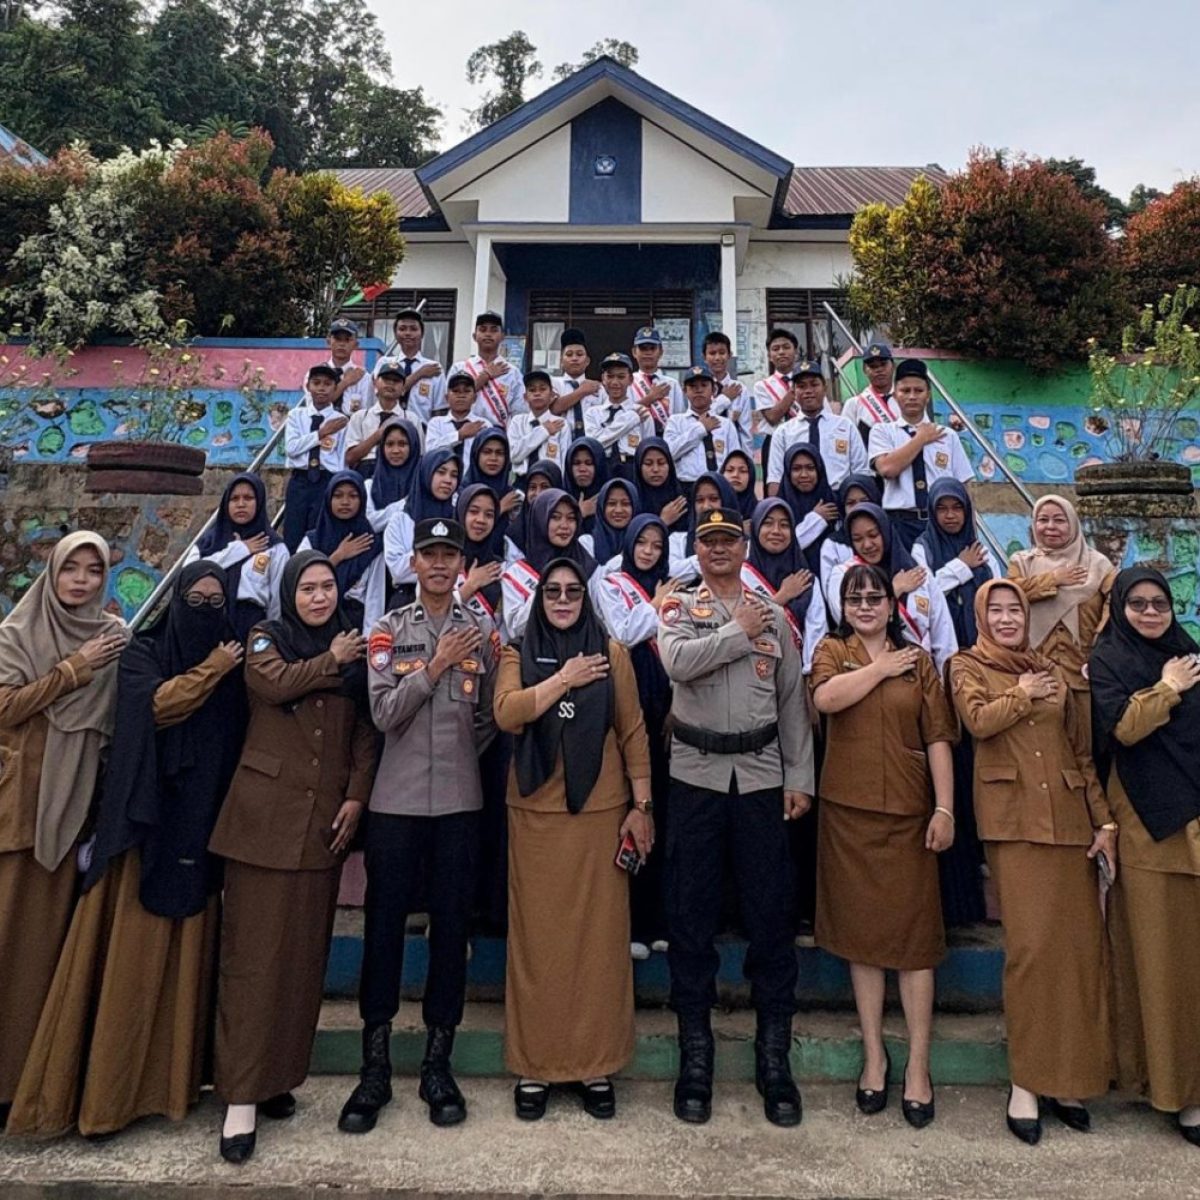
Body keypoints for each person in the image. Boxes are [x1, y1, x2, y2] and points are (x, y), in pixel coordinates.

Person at [7, 564, 245, 1137]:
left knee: (186, 966)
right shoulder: (143, 653)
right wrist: (213, 668)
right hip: (142, 824)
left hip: (199, 828)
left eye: (215, 601)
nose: (204, 610)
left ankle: (173, 1087)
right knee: (126, 965)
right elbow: (156, 708)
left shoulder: (232, 663)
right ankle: (104, 1099)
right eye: (194, 600)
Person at [208, 552, 375, 1164]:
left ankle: (277, 1078)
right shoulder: (266, 637)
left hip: (321, 826)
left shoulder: (352, 651)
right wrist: (331, 660)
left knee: (301, 964)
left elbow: (365, 731)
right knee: (253, 965)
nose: (319, 597)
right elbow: (272, 684)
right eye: (307, 588)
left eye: (327, 586)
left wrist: (357, 795)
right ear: (289, 593)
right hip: (263, 823)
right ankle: (240, 1095)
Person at [338, 519, 498, 1134]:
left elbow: (486, 719)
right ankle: (374, 1066)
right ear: (414, 564)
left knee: (451, 929)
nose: (438, 564)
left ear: (460, 566)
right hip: (396, 803)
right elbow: (383, 714)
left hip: (458, 802)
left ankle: (438, 1062)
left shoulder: (481, 632)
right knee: (383, 930)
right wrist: (435, 666)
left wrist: (455, 757)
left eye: (448, 555)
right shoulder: (387, 630)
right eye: (428, 554)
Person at [659, 507, 814, 1127]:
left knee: (771, 916)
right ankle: (695, 1056)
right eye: (709, 541)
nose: (719, 549)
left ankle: (773, 1057)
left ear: (744, 547)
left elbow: (793, 701)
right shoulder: (679, 606)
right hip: (694, 776)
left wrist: (799, 776)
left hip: (760, 776)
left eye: (728, 540)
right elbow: (677, 663)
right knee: (690, 915)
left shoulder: (773, 616)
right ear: (697, 550)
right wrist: (736, 631)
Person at [949, 580, 1115, 1145]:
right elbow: (977, 721)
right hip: (1013, 822)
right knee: (1031, 953)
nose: (1006, 618)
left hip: (1069, 822)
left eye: (1014, 610)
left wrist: (1104, 822)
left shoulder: (1052, 668)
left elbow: (1080, 753)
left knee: (1077, 953)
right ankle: (1026, 1080)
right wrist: (1021, 693)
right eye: (995, 610)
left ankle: (1068, 1080)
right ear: (981, 617)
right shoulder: (967, 665)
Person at [495, 558, 653, 1120]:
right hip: (536, 813)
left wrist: (641, 807)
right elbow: (508, 713)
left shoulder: (611, 654)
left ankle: (595, 1064)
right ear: (540, 600)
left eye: (573, 592)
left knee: (597, 942)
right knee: (538, 941)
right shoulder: (516, 651)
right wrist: (563, 679)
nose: (563, 601)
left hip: (600, 812)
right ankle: (535, 1065)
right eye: (553, 592)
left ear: (586, 600)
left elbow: (632, 730)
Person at [811, 563, 957, 1128]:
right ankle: (874, 1055)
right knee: (863, 941)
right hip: (848, 814)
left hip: (908, 812)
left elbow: (938, 735)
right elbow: (826, 699)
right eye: (856, 599)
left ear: (891, 606)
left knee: (915, 942)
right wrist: (879, 668)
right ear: (844, 608)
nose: (866, 606)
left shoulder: (917, 661)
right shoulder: (833, 651)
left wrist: (944, 807)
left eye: (875, 597)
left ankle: (919, 1065)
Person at [0, 532, 128, 1128]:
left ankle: (21, 1084)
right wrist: (75, 669)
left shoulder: (111, 640)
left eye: (92, 571)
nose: (80, 580)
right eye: (70, 568)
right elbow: (6, 706)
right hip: (17, 809)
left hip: (69, 810)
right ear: (51, 573)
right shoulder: (17, 634)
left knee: (39, 957)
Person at [1088, 567, 1200, 1146]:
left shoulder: (1190, 654)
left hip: (1195, 820)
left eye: (1160, 603)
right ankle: (1180, 1092)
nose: (1151, 613)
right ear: (1120, 608)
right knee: (1163, 965)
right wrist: (1167, 688)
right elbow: (1124, 730)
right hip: (1148, 827)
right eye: (1138, 603)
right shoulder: (1110, 661)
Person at [595, 516, 678, 960]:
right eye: (641, 543)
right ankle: (627, 921)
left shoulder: (675, 586)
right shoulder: (612, 584)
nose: (648, 551)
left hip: (667, 710)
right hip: (627, 709)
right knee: (627, 812)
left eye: (656, 545)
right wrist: (656, 604)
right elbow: (624, 633)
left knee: (660, 814)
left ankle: (656, 919)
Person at [1008, 494, 1115, 736]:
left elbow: (1116, 600)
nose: (1050, 527)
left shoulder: (1098, 564)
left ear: (1073, 524)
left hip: (1083, 670)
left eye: (1059, 520)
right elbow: (1012, 594)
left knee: (1085, 741)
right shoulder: (1022, 563)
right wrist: (1053, 579)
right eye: (1043, 520)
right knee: (1044, 741)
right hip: (1037, 672)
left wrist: (1101, 634)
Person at [828, 504, 958, 675]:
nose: (867, 545)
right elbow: (845, 618)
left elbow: (943, 633)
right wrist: (894, 590)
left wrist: (947, 679)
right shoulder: (843, 574)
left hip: (923, 675)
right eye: (857, 539)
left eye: (873, 535)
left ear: (886, 532)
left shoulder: (917, 573)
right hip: (869, 673)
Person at [868, 358, 974, 553]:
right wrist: (921, 439)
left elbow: (964, 487)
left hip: (940, 522)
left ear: (928, 395)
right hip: (899, 523)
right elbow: (887, 469)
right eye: (905, 390)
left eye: (918, 390)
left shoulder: (947, 435)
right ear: (895, 394)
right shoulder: (882, 431)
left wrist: (971, 535)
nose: (912, 396)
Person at [187, 472, 289, 641]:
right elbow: (188, 575)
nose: (241, 504)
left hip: (250, 625)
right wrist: (238, 550)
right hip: (207, 619)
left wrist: (270, 637)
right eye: (234, 499)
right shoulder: (209, 542)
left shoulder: (274, 547)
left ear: (259, 502)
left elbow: (277, 601)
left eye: (248, 498)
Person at [500, 489, 601, 644]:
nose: (564, 525)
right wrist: (548, 587)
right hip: (534, 654)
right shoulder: (517, 574)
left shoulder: (589, 568)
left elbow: (599, 621)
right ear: (540, 519)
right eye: (555, 517)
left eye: (571, 518)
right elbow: (515, 629)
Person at [743, 499, 828, 674]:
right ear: (756, 528)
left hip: (793, 674)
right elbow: (736, 626)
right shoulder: (739, 575)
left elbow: (816, 633)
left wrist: (808, 674)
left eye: (784, 525)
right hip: (746, 670)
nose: (776, 531)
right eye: (768, 523)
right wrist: (783, 596)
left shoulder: (806, 580)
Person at [299, 472, 385, 631]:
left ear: (362, 500)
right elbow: (297, 580)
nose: (345, 502)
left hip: (354, 626)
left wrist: (369, 640)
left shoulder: (370, 544)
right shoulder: (312, 540)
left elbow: (375, 597)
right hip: (314, 622)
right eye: (338, 496)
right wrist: (338, 556)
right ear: (328, 499)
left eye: (353, 496)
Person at [766, 359, 867, 491]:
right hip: (798, 498)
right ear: (794, 392)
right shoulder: (783, 433)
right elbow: (775, 478)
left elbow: (861, 471)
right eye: (802, 386)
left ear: (825, 388)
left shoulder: (846, 426)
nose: (808, 391)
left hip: (839, 496)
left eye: (814, 385)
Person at [283, 364, 350, 551]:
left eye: (327, 384)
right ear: (308, 386)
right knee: (293, 531)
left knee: (319, 531)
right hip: (300, 479)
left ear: (335, 388)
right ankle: (292, 567)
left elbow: (341, 458)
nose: (321, 388)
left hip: (327, 480)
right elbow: (291, 448)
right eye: (316, 383)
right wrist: (321, 433)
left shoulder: (341, 420)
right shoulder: (296, 415)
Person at [383, 450, 460, 610]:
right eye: (441, 472)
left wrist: (422, 561)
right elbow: (398, 571)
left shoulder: (458, 518)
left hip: (453, 600)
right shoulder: (400, 520)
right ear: (426, 473)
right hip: (407, 602)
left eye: (454, 475)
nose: (448, 480)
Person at [663, 364, 739, 485]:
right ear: (684, 391)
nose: (698, 390)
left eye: (704, 385)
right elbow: (669, 454)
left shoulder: (726, 424)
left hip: (719, 484)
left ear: (714, 390)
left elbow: (735, 460)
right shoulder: (675, 421)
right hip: (685, 485)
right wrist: (700, 429)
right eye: (692, 386)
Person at [584, 353, 655, 481]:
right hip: (602, 466)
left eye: (621, 377)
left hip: (632, 467)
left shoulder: (642, 412)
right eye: (610, 376)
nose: (615, 382)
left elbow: (648, 451)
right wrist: (630, 420)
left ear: (630, 379)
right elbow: (594, 446)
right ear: (603, 379)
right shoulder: (592, 413)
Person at [346, 358, 421, 478]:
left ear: (403, 389)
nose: (390, 384)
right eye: (386, 379)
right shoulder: (360, 417)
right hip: (366, 469)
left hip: (400, 471)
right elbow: (350, 458)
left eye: (396, 381)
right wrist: (379, 434)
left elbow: (418, 457)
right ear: (376, 383)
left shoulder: (411, 419)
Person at [452, 311, 526, 427]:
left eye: (494, 330)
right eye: (483, 330)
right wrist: (485, 376)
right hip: (465, 430)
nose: (488, 334)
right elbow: (450, 402)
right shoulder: (460, 368)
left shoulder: (512, 372)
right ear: (474, 336)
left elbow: (520, 412)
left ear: (502, 336)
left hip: (499, 434)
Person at [818, 473, 881, 600]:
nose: (858, 507)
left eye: (864, 501)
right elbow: (833, 597)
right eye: (851, 503)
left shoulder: (889, 538)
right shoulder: (833, 545)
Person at [667, 471, 738, 583]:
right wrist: (706, 558)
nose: (705, 506)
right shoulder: (677, 540)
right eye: (700, 500)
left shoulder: (743, 543)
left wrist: (692, 564)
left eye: (714, 499)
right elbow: (671, 573)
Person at [776, 444, 839, 568]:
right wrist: (816, 519)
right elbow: (783, 547)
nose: (804, 474)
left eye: (810, 468)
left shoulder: (833, 503)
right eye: (796, 469)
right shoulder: (778, 508)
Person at [508, 370, 573, 477]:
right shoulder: (517, 422)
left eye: (543, 389)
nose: (537, 393)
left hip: (551, 480)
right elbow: (514, 455)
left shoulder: (561, 424)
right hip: (522, 479)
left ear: (552, 395)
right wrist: (543, 431)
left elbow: (564, 460)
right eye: (532, 390)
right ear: (525, 397)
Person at [752, 329, 801, 469]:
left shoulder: (808, 382)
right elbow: (772, 417)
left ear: (796, 352)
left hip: (803, 438)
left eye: (786, 347)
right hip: (774, 442)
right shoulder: (762, 386)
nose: (781, 352)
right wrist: (794, 390)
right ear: (769, 356)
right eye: (775, 349)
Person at [365, 419, 423, 530]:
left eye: (402, 444)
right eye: (390, 444)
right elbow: (370, 523)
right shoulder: (370, 486)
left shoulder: (424, 482)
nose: (395, 451)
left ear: (413, 446)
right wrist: (407, 502)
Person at [390, 308, 446, 423]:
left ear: (422, 334)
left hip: (421, 429)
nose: (408, 333)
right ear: (395, 333)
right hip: (389, 428)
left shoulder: (434, 367)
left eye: (413, 329)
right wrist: (420, 374)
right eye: (402, 329)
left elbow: (439, 410)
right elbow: (388, 394)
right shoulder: (385, 364)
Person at [702, 331, 754, 451]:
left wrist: (747, 458)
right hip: (706, 450)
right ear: (704, 357)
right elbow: (702, 418)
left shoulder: (740, 389)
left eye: (722, 353)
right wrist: (724, 399)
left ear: (729, 355)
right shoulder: (700, 387)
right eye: (712, 353)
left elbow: (746, 430)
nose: (717, 358)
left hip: (733, 451)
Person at [841, 341, 899, 446]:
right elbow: (846, 441)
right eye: (873, 366)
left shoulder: (906, 399)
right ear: (864, 370)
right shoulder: (853, 405)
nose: (879, 370)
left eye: (883, 364)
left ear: (893, 366)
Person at [630, 326, 685, 433]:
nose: (648, 353)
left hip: (666, 438)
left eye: (652, 348)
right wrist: (650, 398)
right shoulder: (629, 382)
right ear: (634, 352)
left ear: (660, 352)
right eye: (643, 348)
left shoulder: (672, 384)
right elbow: (624, 415)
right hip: (636, 436)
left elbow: (679, 417)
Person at [425, 371, 488, 465]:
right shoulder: (436, 423)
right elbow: (430, 451)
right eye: (455, 391)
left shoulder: (483, 424)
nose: (461, 396)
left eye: (467, 391)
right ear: (447, 397)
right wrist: (459, 435)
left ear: (475, 398)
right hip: (443, 473)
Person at [550, 327, 601, 442]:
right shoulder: (553, 383)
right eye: (569, 354)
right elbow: (554, 408)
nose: (574, 358)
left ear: (587, 361)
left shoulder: (597, 388)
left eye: (579, 354)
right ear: (561, 361)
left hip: (591, 442)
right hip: (559, 442)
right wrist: (581, 391)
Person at [580, 477, 640, 570]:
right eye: (611, 504)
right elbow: (591, 577)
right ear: (602, 508)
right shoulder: (587, 543)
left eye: (625, 504)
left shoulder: (643, 544)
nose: (618, 510)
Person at [634, 438, 688, 532]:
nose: (655, 469)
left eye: (661, 463)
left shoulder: (681, 498)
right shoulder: (631, 500)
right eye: (648, 464)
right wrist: (662, 521)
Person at [509, 460, 562, 555]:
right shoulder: (516, 534)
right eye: (532, 487)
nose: (538, 493)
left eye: (545, 487)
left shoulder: (566, 528)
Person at [325, 317, 374, 414]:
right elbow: (315, 407)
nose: (342, 344)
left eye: (347, 340)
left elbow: (366, 413)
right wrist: (345, 382)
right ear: (328, 342)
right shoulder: (316, 373)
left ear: (356, 345)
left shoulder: (363, 377)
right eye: (337, 339)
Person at [563, 436, 609, 532]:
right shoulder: (560, 501)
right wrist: (579, 514)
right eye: (576, 463)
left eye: (589, 463)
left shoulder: (612, 501)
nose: (582, 469)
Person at [721, 450, 759, 523]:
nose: (735, 475)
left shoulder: (759, 514)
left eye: (743, 471)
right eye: (730, 470)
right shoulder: (714, 507)